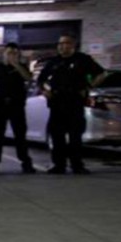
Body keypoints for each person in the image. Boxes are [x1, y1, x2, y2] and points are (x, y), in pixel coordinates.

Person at [37, 33, 107, 175]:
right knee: (57, 137)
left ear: (73, 45)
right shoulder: (54, 62)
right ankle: (59, 165)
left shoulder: (82, 59)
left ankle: (77, 165)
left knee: (75, 136)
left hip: (75, 102)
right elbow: (40, 80)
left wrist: (89, 87)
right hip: (57, 103)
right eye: (60, 44)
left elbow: (102, 74)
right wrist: (45, 91)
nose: (63, 46)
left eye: (66, 43)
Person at [0, 43, 35, 174]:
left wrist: (16, 64)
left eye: (14, 53)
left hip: (16, 105)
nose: (11, 55)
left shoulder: (21, 67)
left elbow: (29, 79)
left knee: (20, 136)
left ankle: (26, 164)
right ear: (4, 53)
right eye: (9, 52)